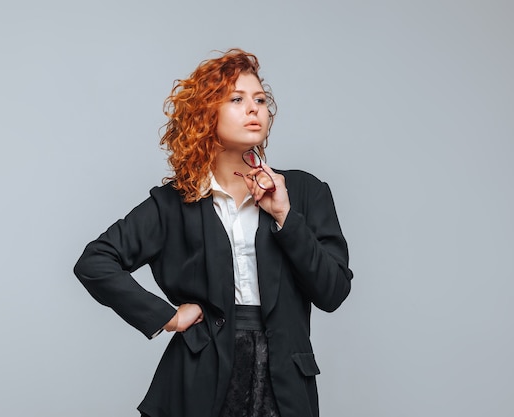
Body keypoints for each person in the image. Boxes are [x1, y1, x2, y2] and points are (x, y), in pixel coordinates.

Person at [74, 48, 353, 417]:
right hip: (200, 378)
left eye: (260, 99)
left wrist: (286, 216)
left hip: (285, 382)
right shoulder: (174, 203)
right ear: (206, 116)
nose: (254, 108)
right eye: (236, 99)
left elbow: (333, 292)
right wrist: (167, 317)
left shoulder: (303, 191)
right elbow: (95, 262)